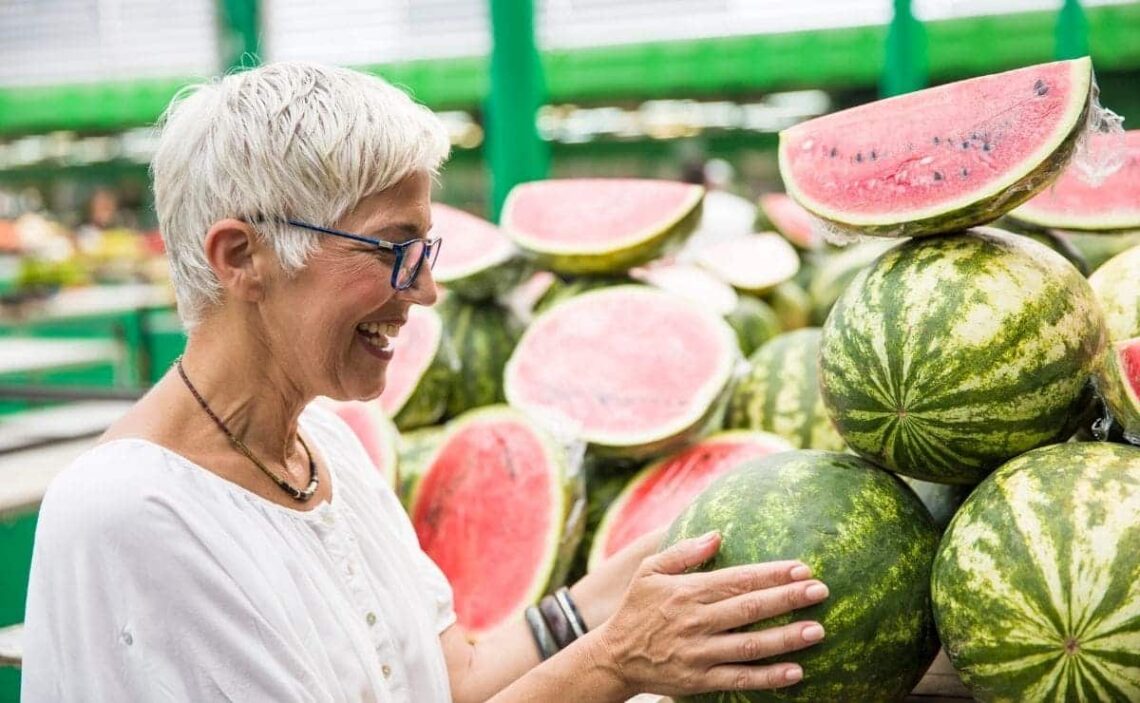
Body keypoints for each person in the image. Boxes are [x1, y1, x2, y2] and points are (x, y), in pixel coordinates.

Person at [20, 62, 829, 702]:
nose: (427, 291)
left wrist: (608, 595)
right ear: (242, 258)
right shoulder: (131, 515)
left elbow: (452, 680)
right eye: (391, 248)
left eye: (427, 249)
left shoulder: (323, 443)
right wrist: (617, 663)